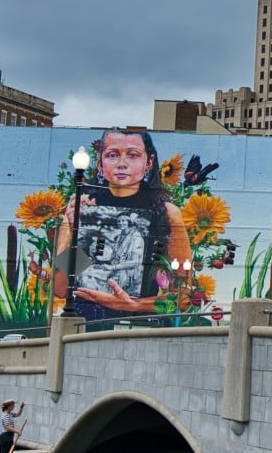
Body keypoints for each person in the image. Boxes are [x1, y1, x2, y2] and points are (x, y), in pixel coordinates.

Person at [54, 129, 195, 322]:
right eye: (112, 155)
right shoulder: (81, 208)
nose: (122, 164)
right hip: (83, 325)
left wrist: (134, 305)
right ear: (100, 163)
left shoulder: (166, 213)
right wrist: (75, 231)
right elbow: (59, 288)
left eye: (133, 155)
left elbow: (182, 298)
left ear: (149, 163)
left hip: (139, 329)